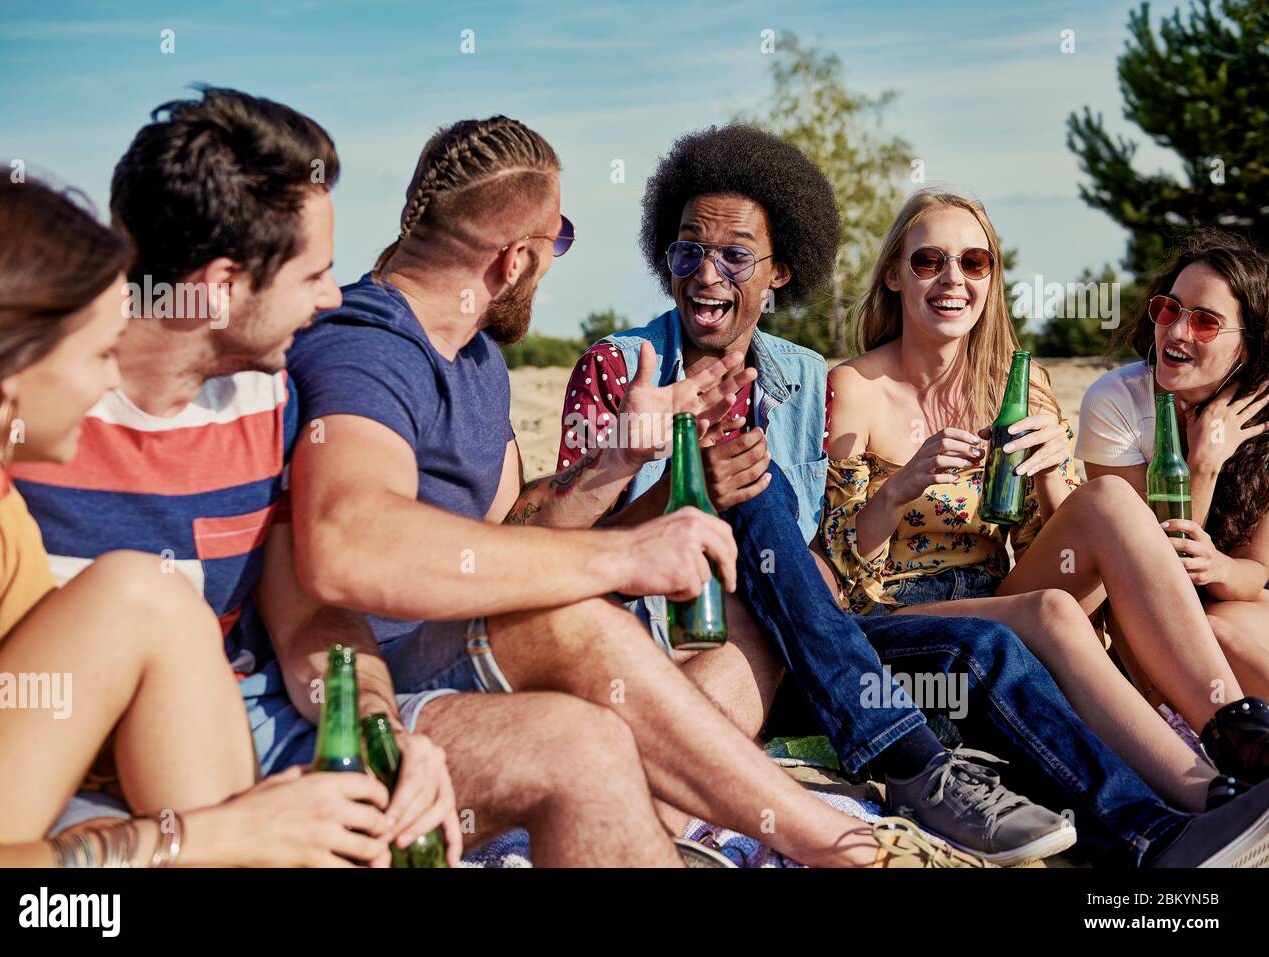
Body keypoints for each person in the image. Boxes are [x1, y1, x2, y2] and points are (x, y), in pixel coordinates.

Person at [538, 126, 1269, 867]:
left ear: (780, 270)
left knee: (1036, 586)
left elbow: (815, 559)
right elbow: (557, 547)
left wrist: (1053, 473)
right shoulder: (629, 367)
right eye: (688, 250)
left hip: (837, 626)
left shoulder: (796, 378)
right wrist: (664, 479)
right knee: (982, 619)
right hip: (789, 625)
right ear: (896, 274)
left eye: (733, 255)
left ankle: (1224, 756)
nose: (707, 273)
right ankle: (1152, 817)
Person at [284, 114, 985, 867]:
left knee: (753, 627)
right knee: (582, 632)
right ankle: (846, 843)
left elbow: (516, 543)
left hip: (473, 655)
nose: (323, 296)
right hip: (361, 689)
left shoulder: (474, 357)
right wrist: (624, 557)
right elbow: (346, 542)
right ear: (516, 258)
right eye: (559, 242)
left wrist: (620, 467)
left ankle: (681, 817)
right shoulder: (370, 344)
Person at [8, 89, 461, 864]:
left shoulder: (265, 395)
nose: (332, 297)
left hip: (209, 737)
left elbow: (304, 619)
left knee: (475, 784)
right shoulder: (34, 402)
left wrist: (381, 731)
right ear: (220, 286)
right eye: (314, 274)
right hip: (45, 777)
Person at [822, 188, 1269, 798]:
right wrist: (900, 487)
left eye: (974, 263)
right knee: (1051, 613)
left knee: (1108, 504)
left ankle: (1235, 732)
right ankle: (1205, 793)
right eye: (929, 261)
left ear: (992, 279)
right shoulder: (853, 387)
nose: (952, 278)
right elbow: (836, 562)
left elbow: (1065, 554)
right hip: (898, 610)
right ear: (896, 276)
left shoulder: (1021, 382)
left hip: (997, 591)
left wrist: (1053, 477)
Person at [1079, 230, 1269, 721]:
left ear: (1246, 348)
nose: (1177, 332)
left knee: (1222, 626)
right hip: (1148, 615)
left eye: (1205, 322)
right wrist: (1202, 466)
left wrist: (1219, 567)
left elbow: (1257, 572)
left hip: (1236, 609)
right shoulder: (1117, 401)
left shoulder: (1265, 420)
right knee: (1211, 631)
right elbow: (1138, 572)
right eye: (1169, 309)